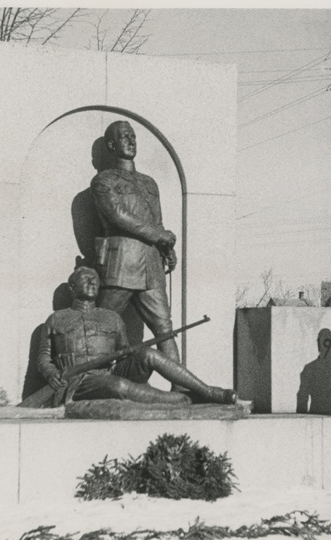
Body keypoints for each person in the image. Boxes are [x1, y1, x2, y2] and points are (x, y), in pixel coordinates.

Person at [37, 267, 237, 406]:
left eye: (96, 280)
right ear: (72, 288)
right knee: (119, 386)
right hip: (80, 381)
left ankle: (207, 391)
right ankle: (186, 400)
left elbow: (125, 354)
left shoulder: (112, 317)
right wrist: (50, 373)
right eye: (86, 278)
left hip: (111, 372)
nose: (92, 281)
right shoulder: (56, 319)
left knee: (147, 354)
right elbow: (43, 358)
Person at [90, 120, 180, 363]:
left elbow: (157, 221)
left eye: (133, 136)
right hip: (120, 264)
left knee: (165, 330)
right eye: (124, 137)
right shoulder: (103, 181)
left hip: (151, 266)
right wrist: (158, 235)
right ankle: (91, 382)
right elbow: (117, 215)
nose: (131, 141)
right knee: (101, 325)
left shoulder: (150, 182)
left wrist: (166, 247)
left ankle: (180, 387)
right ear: (111, 145)